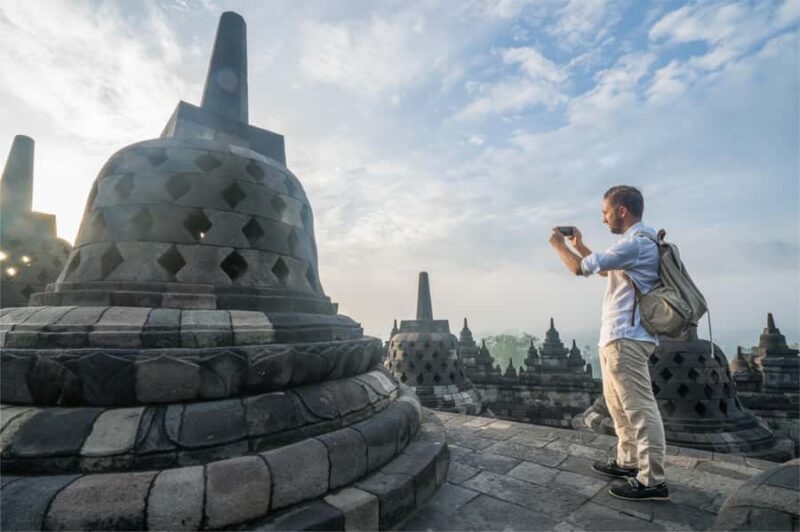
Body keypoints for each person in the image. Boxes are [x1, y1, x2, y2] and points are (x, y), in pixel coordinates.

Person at [548, 185, 669, 501]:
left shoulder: (638, 243)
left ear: (622, 211)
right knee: (619, 407)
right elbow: (604, 270)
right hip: (618, 337)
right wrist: (581, 244)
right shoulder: (634, 245)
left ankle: (652, 479)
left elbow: (579, 269)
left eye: (605, 212)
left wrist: (558, 245)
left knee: (640, 409)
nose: (603, 219)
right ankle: (628, 461)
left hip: (626, 338)